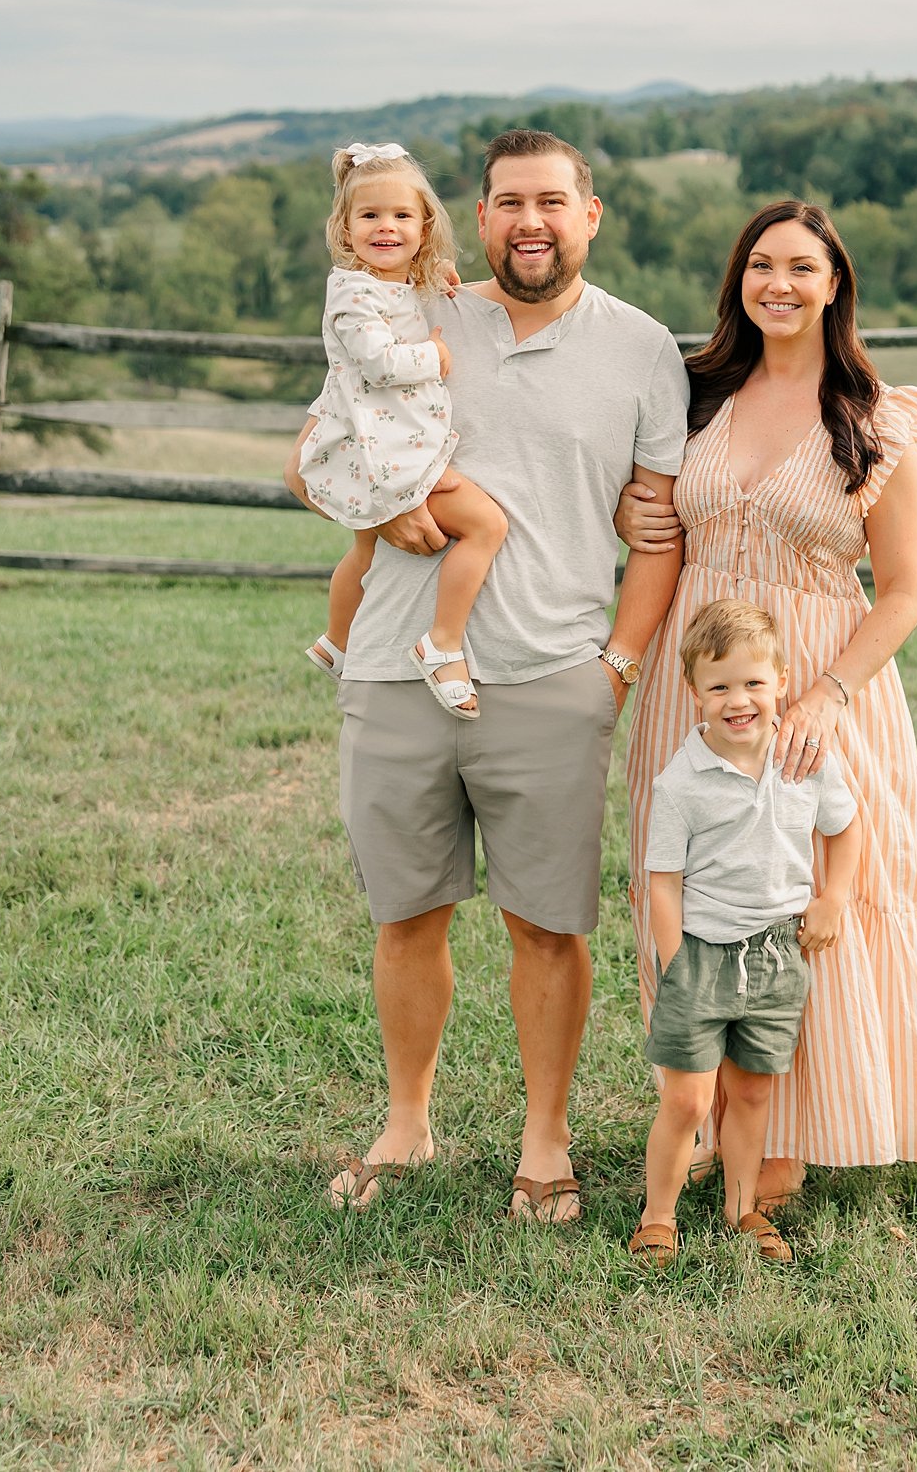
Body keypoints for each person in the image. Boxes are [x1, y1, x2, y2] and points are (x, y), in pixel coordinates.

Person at [285, 129, 689, 1217]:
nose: (531, 222)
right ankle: (406, 1126)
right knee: (405, 915)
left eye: (552, 201)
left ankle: (546, 1140)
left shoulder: (646, 351)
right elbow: (307, 459)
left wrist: (618, 666)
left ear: (589, 214)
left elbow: (657, 532)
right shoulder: (417, 308)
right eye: (509, 201)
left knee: (547, 925)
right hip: (391, 668)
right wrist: (385, 503)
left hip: (554, 676)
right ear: (479, 212)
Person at [620, 199, 917, 1211]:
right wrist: (623, 509)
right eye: (760, 266)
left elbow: (902, 591)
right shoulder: (693, 396)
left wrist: (828, 691)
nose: (778, 284)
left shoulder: (875, 420)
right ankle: (710, 1107)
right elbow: (654, 517)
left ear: (835, 284)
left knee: (820, 896)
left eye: (801, 268)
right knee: (694, 886)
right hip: (701, 681)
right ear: (739, 282)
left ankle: (795, 1131)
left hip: (822, 680)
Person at [630, 598, 862, 1269]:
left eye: (754, 683)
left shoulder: (807, 760)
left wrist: (834, 897)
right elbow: (663, 884)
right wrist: (677, 970)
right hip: (701, 956)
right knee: (689, 1096)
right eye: (720, 685)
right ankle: (658, 1216)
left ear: (782, 683)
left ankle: (741, 1208)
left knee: (754, 1088)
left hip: (774, 954)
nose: (740, 701)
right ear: (693, 693)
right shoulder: (683, 782)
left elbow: (846, 830)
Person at [297, 142, 506, 714]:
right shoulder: (351, 291)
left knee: (365, 549)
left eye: (401, 216)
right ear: (344, 228)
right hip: (389, 448)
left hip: (386, 439)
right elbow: (380, 361)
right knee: (486, 526)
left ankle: (337, 641)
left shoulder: (390, 282)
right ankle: (442, 643)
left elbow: (406, 295)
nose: (385, 227)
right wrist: (434, 358)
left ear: (425, 224)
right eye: (369, 216)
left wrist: (430, 273)